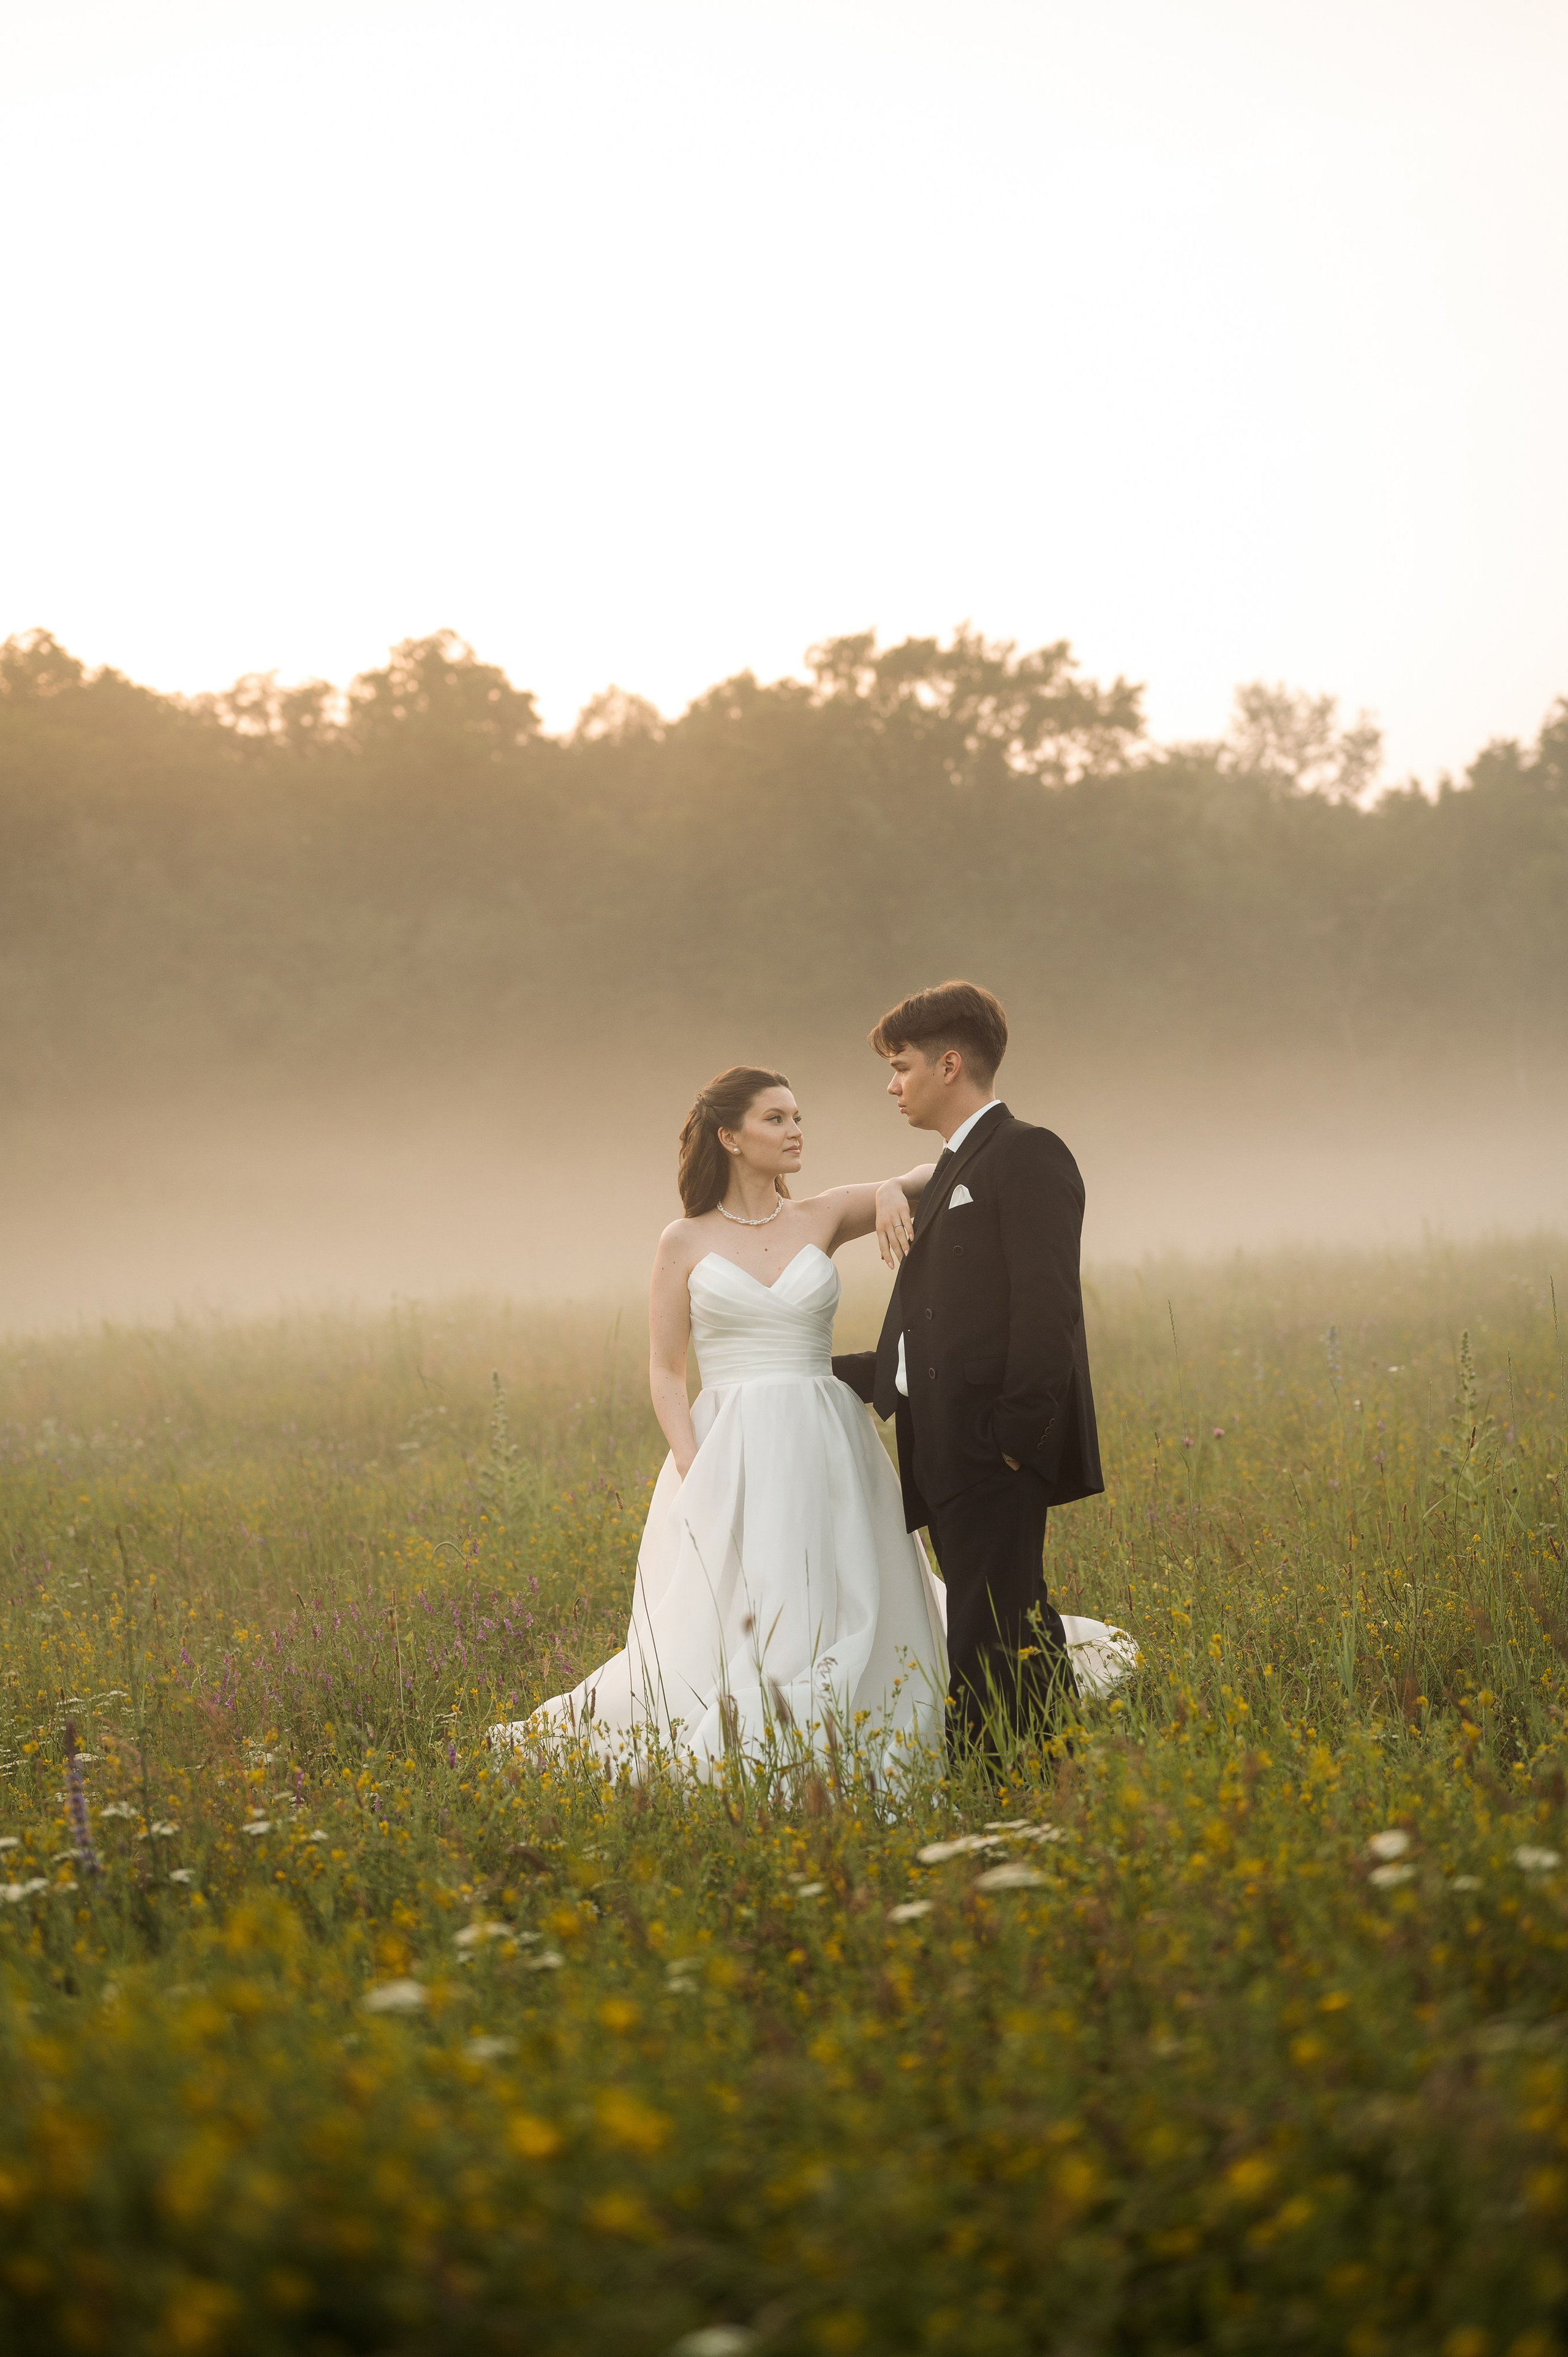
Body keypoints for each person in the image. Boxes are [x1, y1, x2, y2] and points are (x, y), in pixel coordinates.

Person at [490, 1066, 951, 1775]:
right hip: (727, 1444)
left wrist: (890, 1188)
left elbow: (936, 1167)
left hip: (826, 1433)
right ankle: (752, 1721)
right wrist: (694, 1465)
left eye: (797, 1116)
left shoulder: (822, 1214)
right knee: (739, 1604)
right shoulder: (683, 1240)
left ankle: (856, 1707)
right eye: (776, 1118)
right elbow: (666, 1370)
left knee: (843, 1580)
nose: (796, 1130)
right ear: (729, 1136)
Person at [831, 979, 1129, 1759]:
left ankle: (985, 1787)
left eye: (900, 1066)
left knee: (981, 1632)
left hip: (993, 1445)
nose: (891, 1085)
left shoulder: (1027, 1152)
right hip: (945, 1447)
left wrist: (1013, 1435)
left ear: (950, 1064)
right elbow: (938, 1324)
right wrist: (832, 1373)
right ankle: (1055, 1772)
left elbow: (1047, 1305)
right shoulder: (951, 1166)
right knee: (1013, 1619)